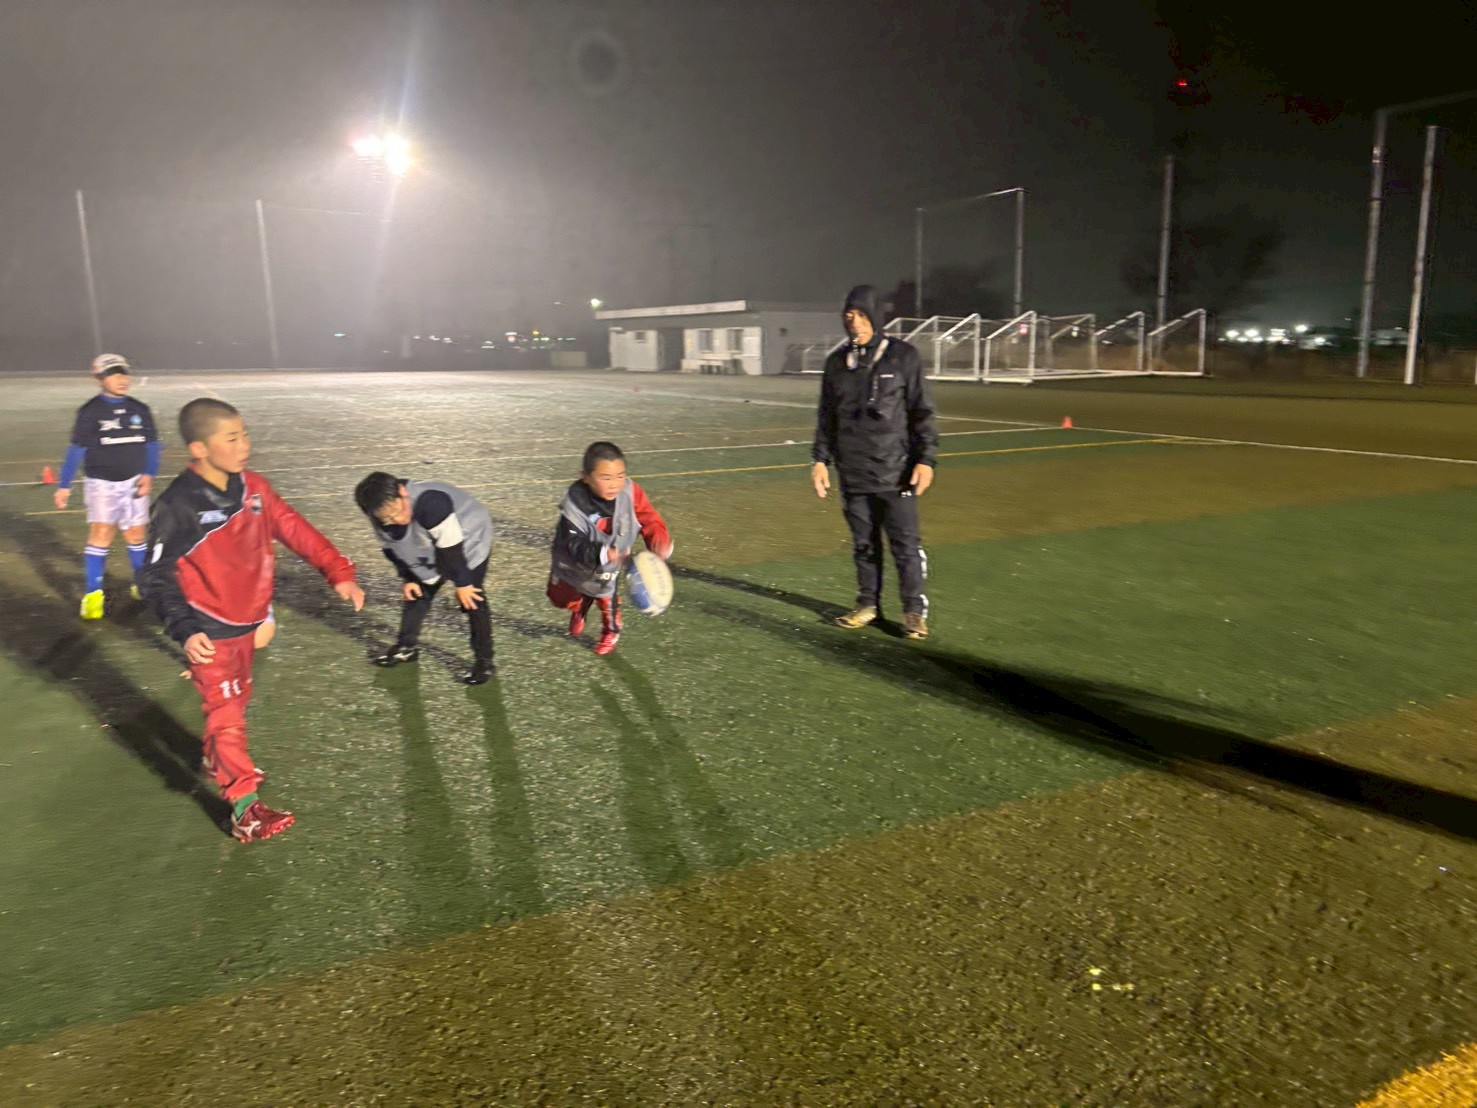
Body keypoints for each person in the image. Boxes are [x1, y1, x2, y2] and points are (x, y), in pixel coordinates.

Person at [139, 398, 364, 843]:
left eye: (244, 435)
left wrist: (337, 570)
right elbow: (154, 574)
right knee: (226, 714)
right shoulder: (179, 504)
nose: (245, 445)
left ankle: (217, 759)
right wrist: (185, 629)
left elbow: (294, 528)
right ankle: (245, 809)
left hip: (248, 621)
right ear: (200, 449)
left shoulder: (254, 488)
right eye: (232, 438)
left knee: (237, 699)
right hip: (208, 628)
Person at [811, 284, 939, 640]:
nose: (855, 322)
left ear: (876, 316)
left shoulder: (903, 357)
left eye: (862, 315)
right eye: (849, 315)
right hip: (853, 472)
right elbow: (826, 418)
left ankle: (913, 612)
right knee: (864, 545)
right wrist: (820, 460)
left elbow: (922, 412)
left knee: (905, 546)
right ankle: (867, 605)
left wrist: (926, 459)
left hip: (897, 473)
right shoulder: (836, 364)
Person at [353, 472, 496, 686]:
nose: (397, 520)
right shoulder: (379, 514)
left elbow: (452, 550)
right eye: (387, 518)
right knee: (417, 593)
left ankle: (484, 660)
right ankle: (406, 647)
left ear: (402, 492)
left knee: (472, 600)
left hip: (468, 532)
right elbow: (393, 549)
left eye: (397, 511)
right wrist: (408, 577)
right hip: (428, 536)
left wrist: (463, 583)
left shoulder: (432, 503)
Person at [53, 353, 161, 619]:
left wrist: (148, 474)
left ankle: (142, 585)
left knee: (136, 535)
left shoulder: (139, 409)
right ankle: (93, 595)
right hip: (101, 484)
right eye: (113, 374)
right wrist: (64, 485)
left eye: (123, 373)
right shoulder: (90, 412)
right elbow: (76, 450)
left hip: (134, 483)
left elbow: (152, 445)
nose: (121, 379)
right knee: (101, 534)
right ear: (99, 379)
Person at [547, 441, 672, 656]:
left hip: (608, 568)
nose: (614, 484)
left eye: (620, 476)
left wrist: (658, 541)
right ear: (585, 477)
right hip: (574, 564)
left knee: (606, 597)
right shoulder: (574, 505)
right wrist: (602, 553)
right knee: (560, 599)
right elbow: (572, 545)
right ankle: (581, 604)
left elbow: (649, 518)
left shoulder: (631, 492)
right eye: (606, 478)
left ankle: (611, 630)